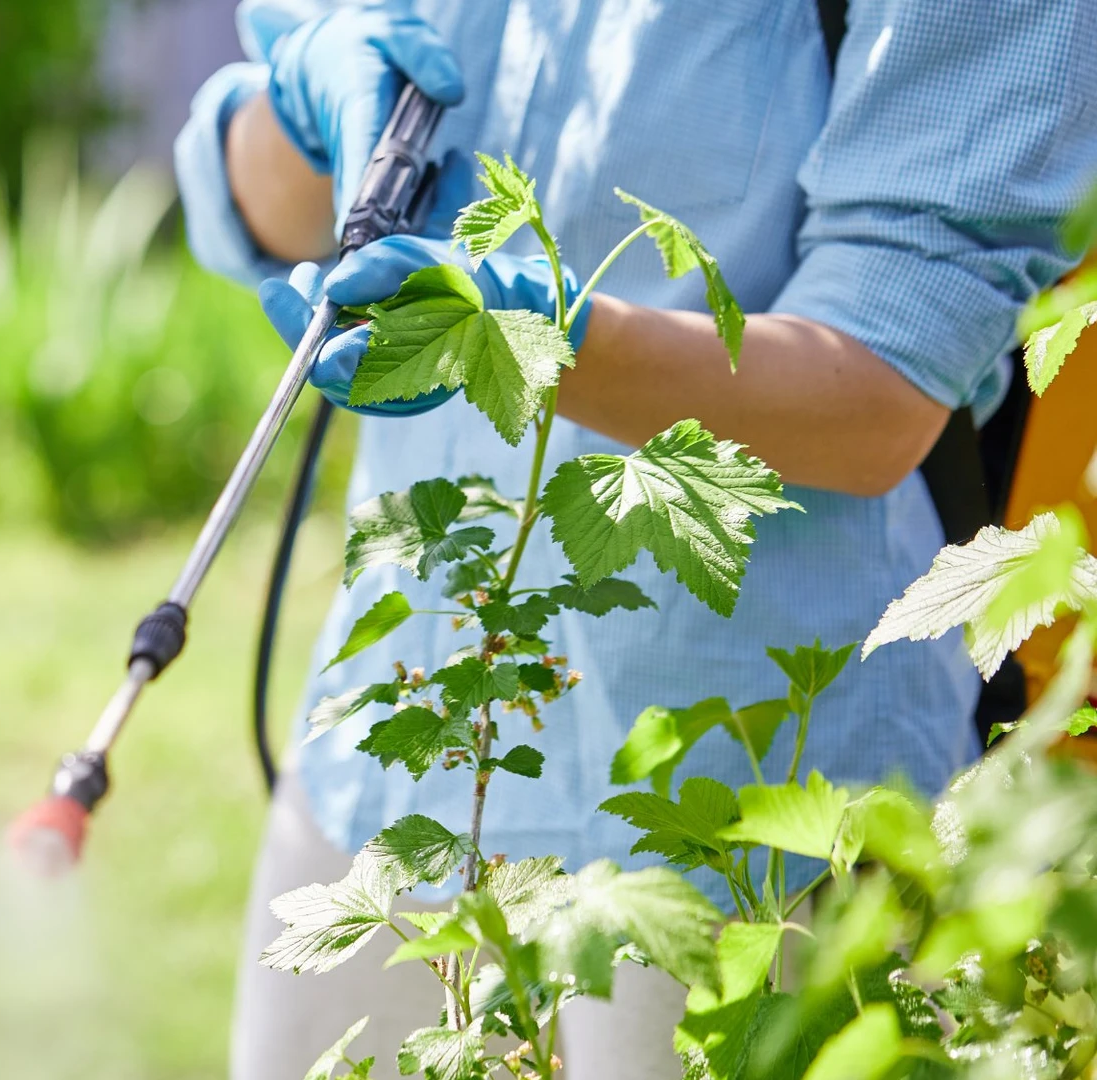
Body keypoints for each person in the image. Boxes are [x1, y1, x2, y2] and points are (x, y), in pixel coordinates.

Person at [172, 1, 1097, 1077]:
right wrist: (306, 113)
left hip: (751, 831)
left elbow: (879, 386)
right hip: (390, 763)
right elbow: (261, 204)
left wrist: (539, 337)